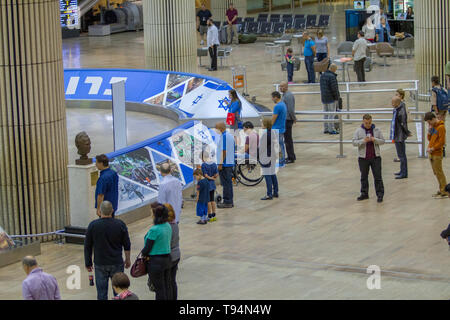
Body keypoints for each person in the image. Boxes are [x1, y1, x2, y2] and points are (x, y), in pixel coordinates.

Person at [84, 201, 131, 300]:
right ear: (112, 211)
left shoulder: (93, 225)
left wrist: (88, 263)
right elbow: (127, 244)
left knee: (101, 293)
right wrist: (128, 259)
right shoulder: (120, 224)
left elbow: (87, 246)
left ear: (100, 211)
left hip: (100, 264)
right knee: (119, 292)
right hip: (116, 262)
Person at [352, 114, 385, 203]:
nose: (368, 125)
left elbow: (383, 141)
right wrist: (363, 141)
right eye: (366, 123)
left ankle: (380, 194)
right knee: (364, 177)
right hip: (363, 158)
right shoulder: (358, 131)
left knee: (378, 176)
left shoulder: (377, 130)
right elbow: (354, 142)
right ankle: (364, 193)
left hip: (375, 157)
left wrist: (375, 140)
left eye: (369, 123)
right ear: (363, 122)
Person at [142, 203, 172, 300]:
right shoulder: (167, 225)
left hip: (156, 262)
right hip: (167, 259)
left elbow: (147, 248)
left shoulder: (154, 230)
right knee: (166, 287)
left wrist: (144, 254)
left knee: (159, 289)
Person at [424, 112, 448, 198]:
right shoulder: (433, 127)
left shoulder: (441, 127)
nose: (429, 124)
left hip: (437, 153)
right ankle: (441, 188)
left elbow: (442, 142)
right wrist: (429, 131)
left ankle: (444, 190)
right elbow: (429, 138)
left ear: (433, 119)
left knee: (439, 172)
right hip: (431, 153)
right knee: (436, 172)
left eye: (429, 122)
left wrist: (433, 148)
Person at [390, 96, 411, 179]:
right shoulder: (397, 109)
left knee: (402, 155)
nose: (392, 104)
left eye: (393, 102)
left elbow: (403, 124)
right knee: (401, 155)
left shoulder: (400, 111)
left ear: (397, 103)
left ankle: (404, 173)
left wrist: (407, 132)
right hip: (397, 135)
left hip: (399, 136)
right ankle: (402, 171)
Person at [215, 122, 235, 208]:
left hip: (225, 164)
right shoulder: (229, 136)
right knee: (228, 183)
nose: (215, 130)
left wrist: (220, 163)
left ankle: (227, 201)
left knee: (226, 183)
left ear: (221, 128)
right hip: (229, 162)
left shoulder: (224, 137)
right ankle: (229, 200)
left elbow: (224, 151)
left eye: (216, 128)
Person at [259, 118, 279, 200]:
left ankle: (269, 194)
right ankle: (276, 192)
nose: (261, 124)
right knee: (273, 174)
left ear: (265, 124)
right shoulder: (273, 132)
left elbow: (262, 147)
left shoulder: (265, 134)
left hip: (266, 156)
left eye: (262, 123)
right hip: (273, 156)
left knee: (267, 175)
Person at [165, 203, 180, 300]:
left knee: (167, 282)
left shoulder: (166, 227)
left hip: (169, 257)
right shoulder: (175, 224)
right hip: (176, 255)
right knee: (172, 281)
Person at [320, 64, 340, 135]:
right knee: (332, 114)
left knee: (325, 113)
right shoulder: (332, 76)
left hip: (324, 97)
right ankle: (331, 129)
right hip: (331, 98)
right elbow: (334, 88)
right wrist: (337, 98)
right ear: (333, 69)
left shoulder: (322, 75)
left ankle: (326, 129)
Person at [279, 81, 297, 163]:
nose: (281, 88)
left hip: (288, 120)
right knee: (287, 139)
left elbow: (290, 109)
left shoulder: (288, 96)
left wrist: (294, 118)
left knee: (288, 140)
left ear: (287, 86)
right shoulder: (285, 95)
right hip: (285, 120)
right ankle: (291, 155)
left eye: (282, 86)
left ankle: (291, 157)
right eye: (280, 86)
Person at [201, 151, 218, 222]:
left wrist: (210, 178)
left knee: (208, 201)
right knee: (212, 200)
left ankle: (209, 215)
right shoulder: (214, 164)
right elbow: (216, 174)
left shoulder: (204, 165)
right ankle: (214, 215)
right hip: (212, 185)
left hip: (206, 185)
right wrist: (213, 178)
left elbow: (205, 175)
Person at [271, 91, 287, 167]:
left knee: (278, 147)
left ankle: (280, 162)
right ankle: (282, 160)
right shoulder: (283, 104)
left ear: (276, 97)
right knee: (281, 145)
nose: (272, 99)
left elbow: (273, 119)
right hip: (281, 128)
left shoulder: (277, 107)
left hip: (276, 129)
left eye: (272, 98)